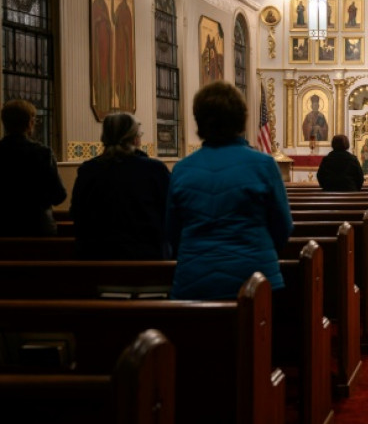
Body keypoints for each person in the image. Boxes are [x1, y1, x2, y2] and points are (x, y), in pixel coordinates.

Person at [167, 81, 291, 299]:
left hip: (195, 280)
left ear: (199, 121)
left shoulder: (181, 170)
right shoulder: (263, 165)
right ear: (241, 119)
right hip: (255, 280)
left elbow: (172, 231)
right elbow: (282, 226)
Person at [70, 112, 170, 260]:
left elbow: (76, 213)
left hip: (96, 258)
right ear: (135, 139)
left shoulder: (88, 170)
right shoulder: (154, 169)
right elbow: (169, 213)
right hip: (146, 256)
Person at [0, 99, 67, 236]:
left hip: (4, 228)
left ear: (5, 123)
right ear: (30, 123)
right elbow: (59, 195)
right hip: (39, 227)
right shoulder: (43, 153)